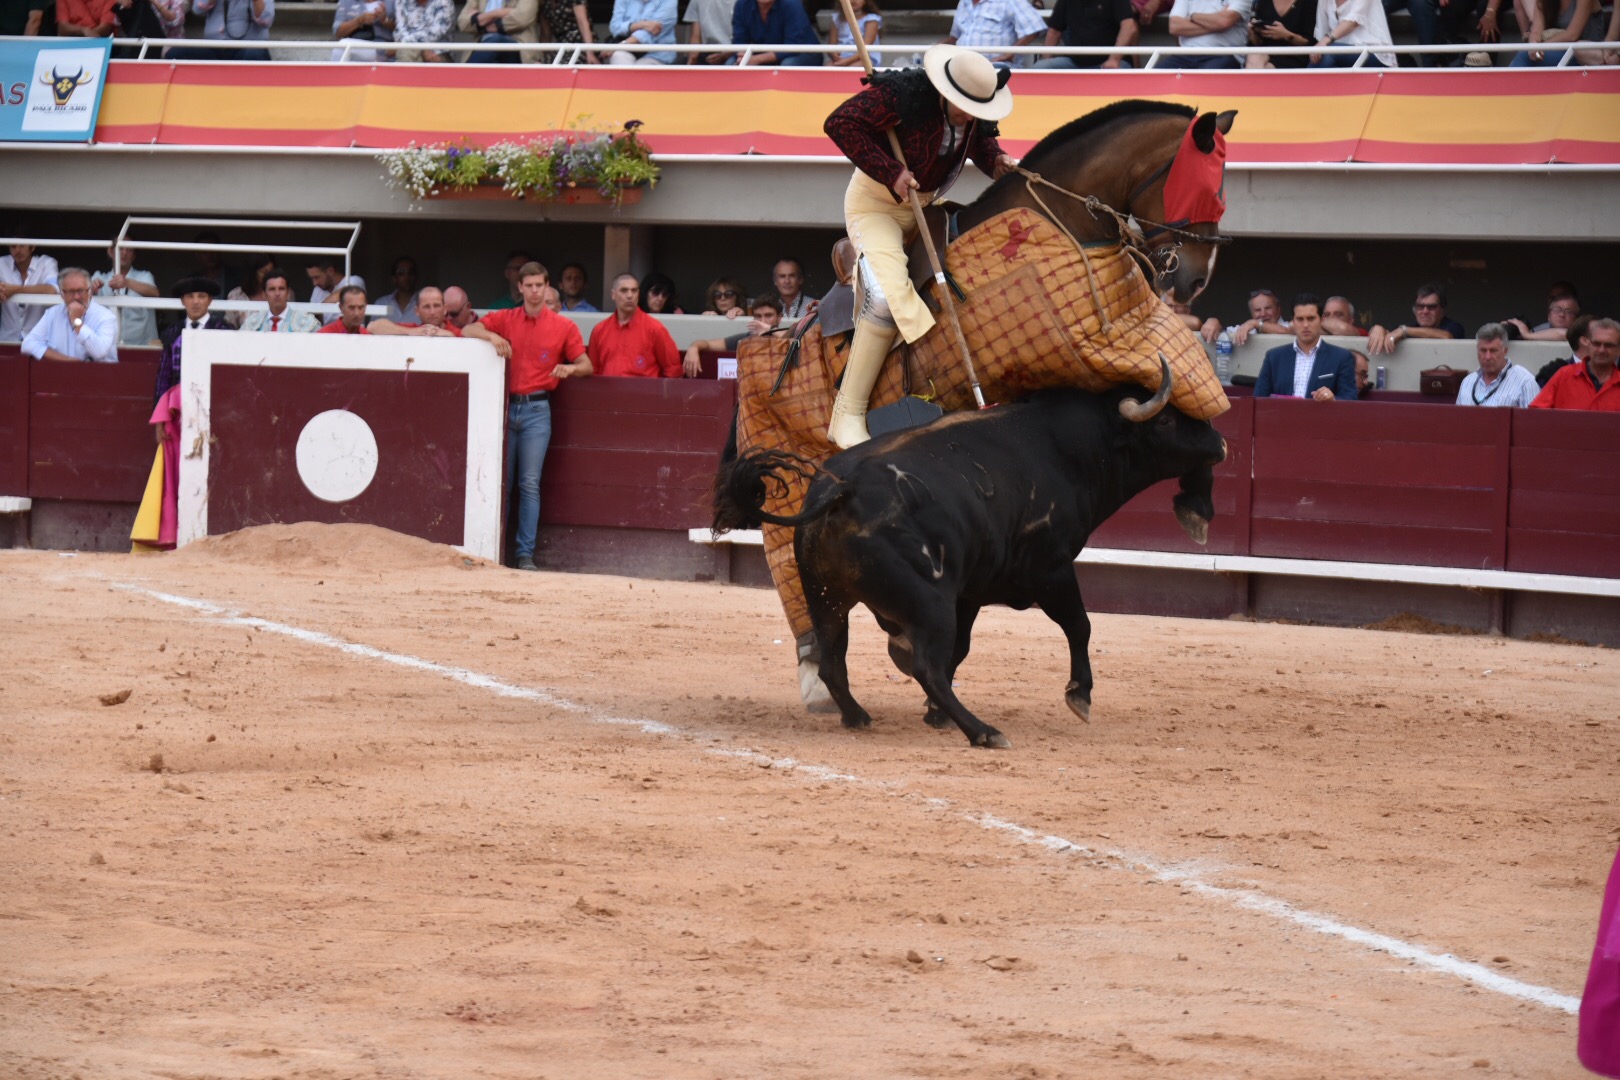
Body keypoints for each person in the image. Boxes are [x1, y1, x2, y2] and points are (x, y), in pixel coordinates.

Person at [822, 44, 1017, 447]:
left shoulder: (976, 111)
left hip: (926, 208)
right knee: (883, 299)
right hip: (876, 205)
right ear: (945, 92)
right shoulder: (903, 94)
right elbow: (839, 123)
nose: (972, 115)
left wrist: (996, 160)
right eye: (964, 106)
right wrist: (890, 171)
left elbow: (977, 145)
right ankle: (847, 413)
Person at [463, 262, 593, 572]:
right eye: (529, 285)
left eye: (539, 285)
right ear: (520, 287)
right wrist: (491, 337)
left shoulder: (563, 326)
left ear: (547, 287)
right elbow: (467, 329)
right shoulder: (506, 319)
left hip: (537, 408)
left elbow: (586, 365)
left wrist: (570, 369)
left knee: (529, 483)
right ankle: (495, 550)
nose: (535, 291)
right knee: (503, 484)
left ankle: (523, 554)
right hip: (505, 408)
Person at [1252, 294, 1357, 401]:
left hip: (1321, 417)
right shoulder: (1274, 357)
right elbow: (1258, 399)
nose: (1305, 325)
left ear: (1321, 320)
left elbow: (1350, 399)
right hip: (1281, 416)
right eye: (1300, 319)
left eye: (1311, 318)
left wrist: (1333, 399)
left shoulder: (1341, 357)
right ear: (1293, 321)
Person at [587, 274, 683, 377]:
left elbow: (673, 369)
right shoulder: (599, 330)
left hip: (644, 392)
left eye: (634, 290)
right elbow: (593, 370)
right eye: (624, 290)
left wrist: (660, 392)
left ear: (639, 294)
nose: (630, 295)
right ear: (613, 295)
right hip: (608, 391)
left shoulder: (655, 328)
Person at [20, 268, 118, 365]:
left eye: (80, 290)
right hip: (62, 375)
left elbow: (99, 352)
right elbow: (27, 344)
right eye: (71, 292)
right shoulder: (52, 314)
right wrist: (65, 360)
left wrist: (76, 321)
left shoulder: (105, 316)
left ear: (90, 292)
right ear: (62, 294)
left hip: (99, 376)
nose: (76, 297)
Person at [155, 276, 231, 400]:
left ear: (210, 300)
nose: (195, 302)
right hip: (179, 399)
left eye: (201, 296)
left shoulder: (222, 329)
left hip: (213, 397)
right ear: (182, 301)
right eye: (190, 296)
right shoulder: (172, 332)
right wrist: (159, 407)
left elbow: (227, 374)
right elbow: (164, 374)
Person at [682, 294, 785, 377]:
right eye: (758, 316)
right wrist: (693, 347)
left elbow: (794, 340)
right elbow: (707, 344)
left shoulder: (788, 339)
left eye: (768, 316)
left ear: (779, 318)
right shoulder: (745, 339)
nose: (762, 321)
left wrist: (770, 329)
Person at [1530, 317, 1620, 411]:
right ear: (1588, 344)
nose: (1601, 350)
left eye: (1609, 345)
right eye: (1596, 344)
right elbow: (1536, 414)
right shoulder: (1564, 375)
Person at [1455, 323, 1540, 408]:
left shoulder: (1525, 382)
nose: (1487, 357)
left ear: (1505, 351)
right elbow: (1456, 419)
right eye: (1483, 350)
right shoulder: (1467, 382)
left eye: (1493, 350)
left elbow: (1534, 420)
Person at [91, 244, 160, 347]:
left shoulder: (144, 276)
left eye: (129, 249)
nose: (124, 253)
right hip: (106, 346)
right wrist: (92, 290)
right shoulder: (99, 277)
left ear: (134, 255)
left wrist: (127, 282)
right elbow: (82, 297)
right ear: (111, 252)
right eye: (121, 249)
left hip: (141, 346)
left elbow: (155, 293)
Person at [1035, 0, 1137, 68]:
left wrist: (1114, 59)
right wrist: (1046, 59)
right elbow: (1054, 31)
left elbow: (1129, 26)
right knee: (1039, 68)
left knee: (1117, 72)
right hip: (1074, 63)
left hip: (1111, 63)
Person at [1368, 283, 1465, 354]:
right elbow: (1391, 334)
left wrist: (1404, 331)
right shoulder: (1410, 328)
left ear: (1442, 311)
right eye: (1420, 306)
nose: (1425, 311)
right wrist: (1378, 329)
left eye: (1431, 307)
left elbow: (1446, 336)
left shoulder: (1454, 326)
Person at [946, 0, 1048, 66]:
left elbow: (1035, 28)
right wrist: (934, 48)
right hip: (962, 64)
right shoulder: (964, 2)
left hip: (993, 65)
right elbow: (955, 37)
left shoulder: (1009, 1)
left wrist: (1010, 53)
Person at [1162, 0, 1253, 68]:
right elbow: (1174, 27)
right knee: (1155, 78)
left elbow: (1224, 21)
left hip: (1223, 55)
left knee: (1205, 83)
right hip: (1185, 55)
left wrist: (1192, 16)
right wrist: (1216, 24)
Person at [1, 241, 60, 343]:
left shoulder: (46, 263)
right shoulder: (2, 263)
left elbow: (52, 290)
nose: (17, 251)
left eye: (22, 246)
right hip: (7, 339)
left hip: (39, 340)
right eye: (13, 246)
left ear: (32, 247)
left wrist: (15, 289)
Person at [1511, 0, 1602, 65]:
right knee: (1527, 55)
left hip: (1585, 55)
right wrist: (1534, 46)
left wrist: (1542, 47)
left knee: (1524, 56)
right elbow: (1536, 31)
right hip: (1558, 51)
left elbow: (1572, 34)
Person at [733, 0, 823, 65]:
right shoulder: (742, 5)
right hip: (761, 53)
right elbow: (739, 40)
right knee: (731, 64)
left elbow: (793, 46)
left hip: (803, 52)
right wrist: (742, 56)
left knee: (788, 65)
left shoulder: (792, 4)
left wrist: (758, 59)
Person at [1310, 0, 1395, 68]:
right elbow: (1322, 32)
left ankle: (1305, 87)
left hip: (1375, 53)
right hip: (1341, 54)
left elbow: (1352, 22)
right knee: (1320, 57)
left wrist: (1326, 39)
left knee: (1327, 54)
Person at [240, 269, 321, 333]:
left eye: (281, 289)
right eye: (272, 289)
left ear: (288, 293)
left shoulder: (306, 322)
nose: (277, 293)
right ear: (264, 294)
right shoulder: (252, 322)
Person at [460, 0, 542, 63]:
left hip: (518, 49)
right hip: (483, 46)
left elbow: (522, 18)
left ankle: (463, 80)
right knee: (492, 42)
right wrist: (496, 13)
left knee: (495, 41)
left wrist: (480, 18)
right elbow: (462, 23)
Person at [1200, 288, 1288, 345]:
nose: (1263, 314)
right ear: (1251, 313)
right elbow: (1223, 333)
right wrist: (1213, 321)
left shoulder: (1291, 326)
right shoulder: (1247, 328)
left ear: (1278, 309)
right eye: (1257, 310)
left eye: (1268, 308)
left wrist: (1255, 323)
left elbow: (1289, 331)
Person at [189, 0, 275, 59]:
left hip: (246, 48)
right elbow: (197, 8)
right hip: (214, 47)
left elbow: (266, 20)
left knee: (255, 55)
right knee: (179, 53)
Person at [368, 285, 461, 337]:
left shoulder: (456, 332)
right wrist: (411, 332)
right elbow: (373, 326)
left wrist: (450, 336)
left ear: (445, 309)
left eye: (436, 306)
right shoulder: (414, 328)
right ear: (417, 311)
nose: (432, 312)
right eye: (426, 307)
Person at [1244, 0, 1313, 67]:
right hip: (1266, 50)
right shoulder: (1264, 2)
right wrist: (1252, 32)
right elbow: (1257, 43)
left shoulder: (1308, 2)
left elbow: (1310, 43)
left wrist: (1286, 35)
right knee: (1254, 57)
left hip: (1292, 54)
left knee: (1263, 69)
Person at [608, 0, 677, 63]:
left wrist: (621, 45)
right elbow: (615, 27)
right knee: (619, 56)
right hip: (626, 50)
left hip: (655, 54)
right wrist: (640, 25)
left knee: (641, 69)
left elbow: (651, 32)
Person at [222, 253, 275, 329]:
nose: (269, 276)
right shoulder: (236, 295)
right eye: (264, 272)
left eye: (272, 271)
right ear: (253, 274)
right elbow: (229, 327)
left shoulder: (283, 293)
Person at [1506, 290, 1581, 342]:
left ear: (1577, 319)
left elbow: (1566, 334)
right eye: (1557, 309)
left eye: (1568, 311)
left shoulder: (1581, 333)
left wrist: (1527, 335)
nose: (1562, 314)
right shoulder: (1539, 330)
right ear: (1548, 316)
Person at [306, 257, 366, 322]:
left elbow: (344, 293)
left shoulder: (353, 280)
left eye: (317, 277)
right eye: (312, 278)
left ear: (330, 271)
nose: (314, 283)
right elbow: (313, 320)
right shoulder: (317, 290)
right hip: (324, 331)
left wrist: (320, 307)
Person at [829, 0, 883, 66]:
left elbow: (866, 47)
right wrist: (834, 54)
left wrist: (848, 61)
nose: (853, 0)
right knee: (827, 68)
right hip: (842, 56)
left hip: (864, 57)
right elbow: (832, 44)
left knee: (854, 68)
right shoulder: (837, 18)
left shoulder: (871, 19)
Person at [384, 257, 420, 323]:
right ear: (394, 278)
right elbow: (371, 329)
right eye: (401, 273)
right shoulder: (382, 303)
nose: (407, 277)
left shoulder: (424, 303)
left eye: (411, 272)